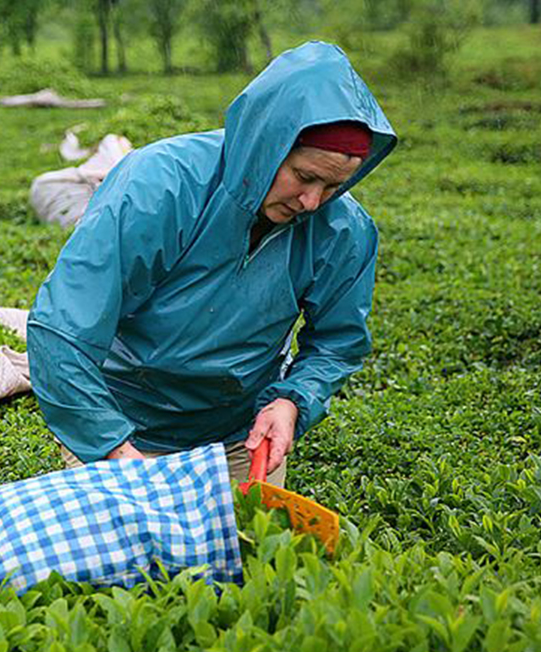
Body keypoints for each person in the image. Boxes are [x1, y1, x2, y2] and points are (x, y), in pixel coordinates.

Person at [27, 42, 397, 486]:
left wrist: (292, 401)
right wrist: (113, 449)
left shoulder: (344, 230)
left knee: (249, 551)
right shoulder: (158, 185)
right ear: (267, 145)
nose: (312, 201)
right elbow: (62, 329)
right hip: (118, 426)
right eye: (304, 177)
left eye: (333, 185)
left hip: (238, 440)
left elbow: (337, 342)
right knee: (127, 554)